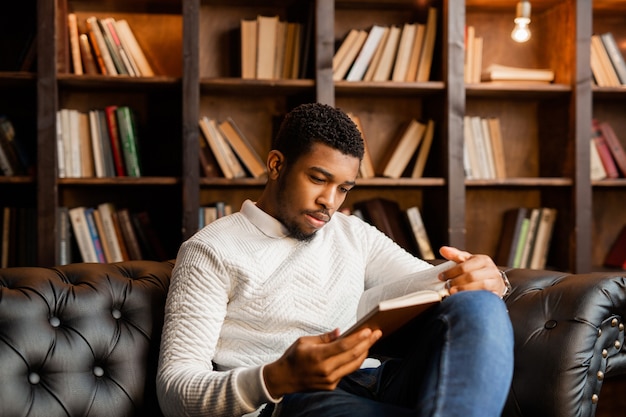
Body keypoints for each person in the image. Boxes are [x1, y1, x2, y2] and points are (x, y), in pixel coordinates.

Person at [156, 103, 514, 417]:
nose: (330, 201)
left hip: (377, 382)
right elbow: (174, 390)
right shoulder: (210, 250)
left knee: (478, 304)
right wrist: (277, 376)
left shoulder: (351, 233)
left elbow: (432, 282)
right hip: (291, 401)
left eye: (343, 188)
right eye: (318, 179)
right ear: (277, 165)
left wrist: (484, 278)